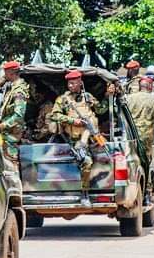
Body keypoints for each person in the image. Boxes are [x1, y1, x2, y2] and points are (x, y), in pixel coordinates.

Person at [48, 70, 115, 207]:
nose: (71, 86)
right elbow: (54, 115)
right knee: (86, 161)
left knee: (107, 159)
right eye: (69, 83)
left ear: (80, 83)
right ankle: (84, 194)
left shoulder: (88, 97)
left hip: (92, 138)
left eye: (73, 83)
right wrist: (73, 121)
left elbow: (101, 110)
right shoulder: (63, 99)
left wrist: (108, 96)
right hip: (74, 140)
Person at [0, 60, 31, 167]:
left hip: (12, 135)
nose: (4, 75)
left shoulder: (19, 91)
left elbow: (18, 116)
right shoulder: (11, 87)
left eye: (5, 72)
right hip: (6, 134)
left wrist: (2, 125)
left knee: (12, 164)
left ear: (10, 72)